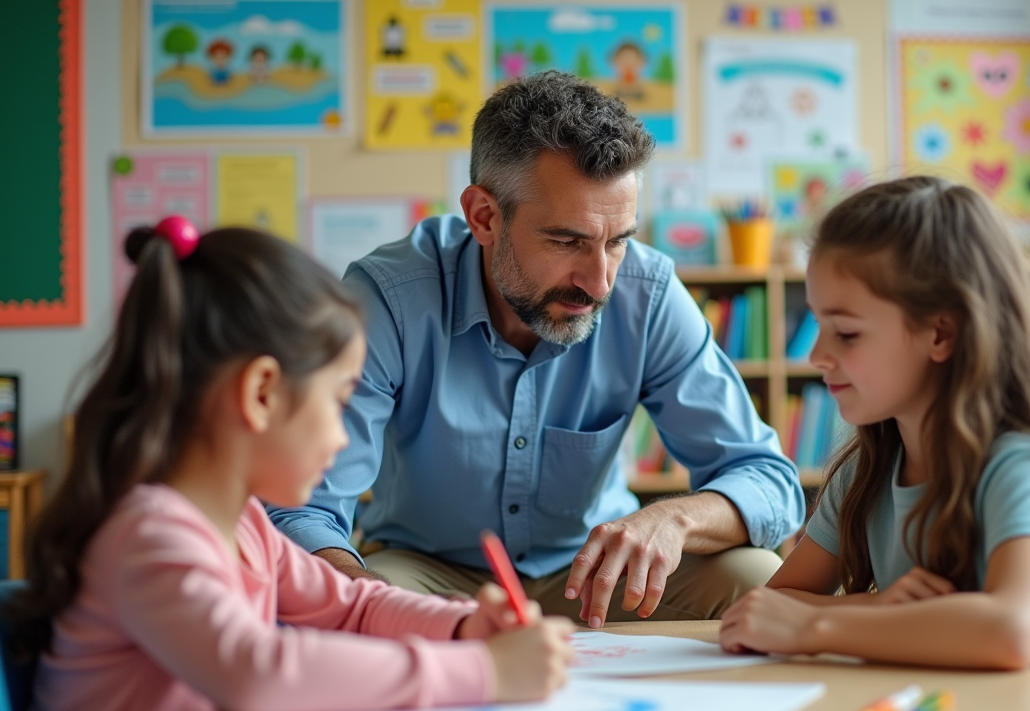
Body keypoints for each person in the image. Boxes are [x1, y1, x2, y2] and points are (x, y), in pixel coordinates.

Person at [9, 219, 574, 711]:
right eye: (336, 402)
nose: (341, 438)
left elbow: (352, 606)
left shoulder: (244, 524)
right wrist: (485, 674)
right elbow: (256, 671)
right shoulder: (151, 534)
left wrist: (460, 628)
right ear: (260, 394)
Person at [269, 71, 803, 634]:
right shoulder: (388, 299)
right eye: (567, 241)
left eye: (618, 240)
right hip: (428, 570)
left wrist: (676, 519)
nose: (599, 283)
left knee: (758, 579)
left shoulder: (648, 294)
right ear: (484, 217)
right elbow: (302, 504)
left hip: (594, 570)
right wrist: (360, 596)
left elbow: (768, 479)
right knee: (340, 612)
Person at [719, 176, 1030, 711]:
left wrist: (821, 627)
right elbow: (771, 611)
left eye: (847, 333)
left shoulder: (1021, 464)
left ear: (941, 333)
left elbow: (1009, 630)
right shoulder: (869, 469)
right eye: (818, 326)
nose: (818, 355)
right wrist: (880, 610)